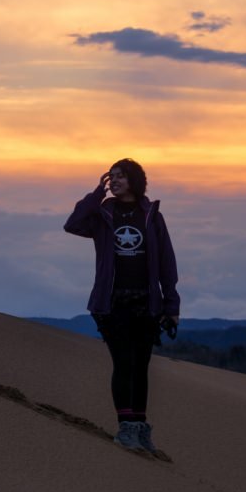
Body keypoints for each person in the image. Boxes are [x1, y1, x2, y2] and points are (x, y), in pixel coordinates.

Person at [63, 158, 180, 454]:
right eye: (110, 177)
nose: (113, 181)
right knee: (124, 363)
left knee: (141, 367)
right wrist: (95, 195)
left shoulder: (152, 215)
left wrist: (171, 304)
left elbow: (167, 262)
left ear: (135, 180)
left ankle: (140, 428)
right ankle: (125, 427)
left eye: (120, 176)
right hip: (111, 303)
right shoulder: (103, 213)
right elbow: (73, 224)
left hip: (147, 304)